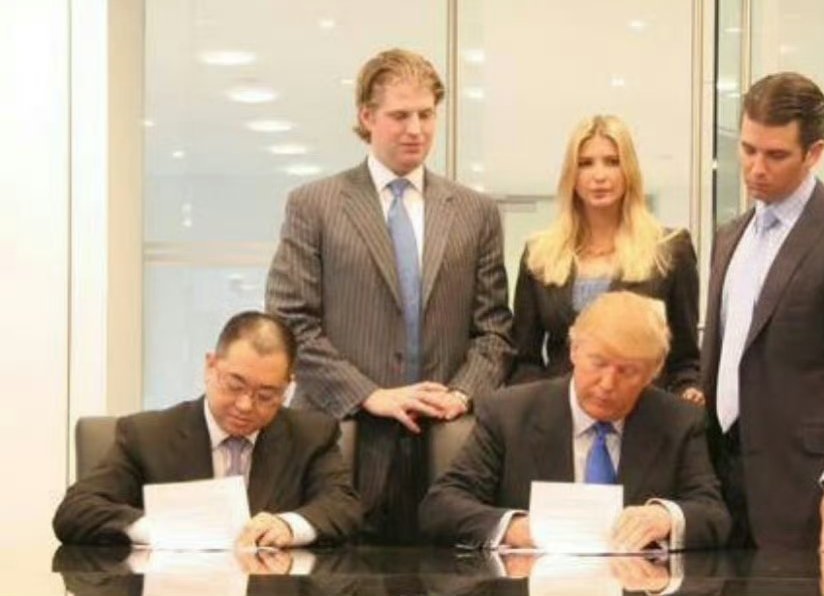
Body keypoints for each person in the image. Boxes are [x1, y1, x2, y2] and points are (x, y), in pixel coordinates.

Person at [265, 48, 513, 543]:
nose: (416, 129)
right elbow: (291, 322)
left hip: (446, 447)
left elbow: (494, 330)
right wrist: (370, 395)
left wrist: (461, 394)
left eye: (426, 114)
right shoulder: (314, 205)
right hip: (343, 438)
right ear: (367, 116)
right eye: (400, 116)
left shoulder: (476, 212)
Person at [700, 72, 824, 551]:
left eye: (776, 155)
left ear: (815, 153)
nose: (756, 168)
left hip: (812, 493)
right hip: (722, 492)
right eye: (748, 149)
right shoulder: (729, 237)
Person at [419, 292, 730, 550]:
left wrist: (666, 518)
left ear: (654, 371)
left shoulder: (677, 422)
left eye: (628, 371)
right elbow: (441, 506)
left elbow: (713, 514)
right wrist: (515, 529)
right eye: (598, 363)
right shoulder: (510, 413)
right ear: (575, 350)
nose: (607, 383)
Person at [52, 311, 361, 547]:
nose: (245, 405)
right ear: (210, 366)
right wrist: (156, 528)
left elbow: (343, 506)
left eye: (266, 395)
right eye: (235, 385)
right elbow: (76, 511)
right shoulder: (147, 435)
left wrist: (289, 526)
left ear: (287, 388)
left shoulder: (311, 435)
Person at [510, 114, 701, 402]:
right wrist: (538, 408)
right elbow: (524, 360)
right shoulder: (539, 255)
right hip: (560, 413)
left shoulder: (670, 249)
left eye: (612, 162)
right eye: (585, 163)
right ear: (571, 176)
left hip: (644, 410)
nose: (599, 176)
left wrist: (687, 392)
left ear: (629, 170)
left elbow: (685, 359)